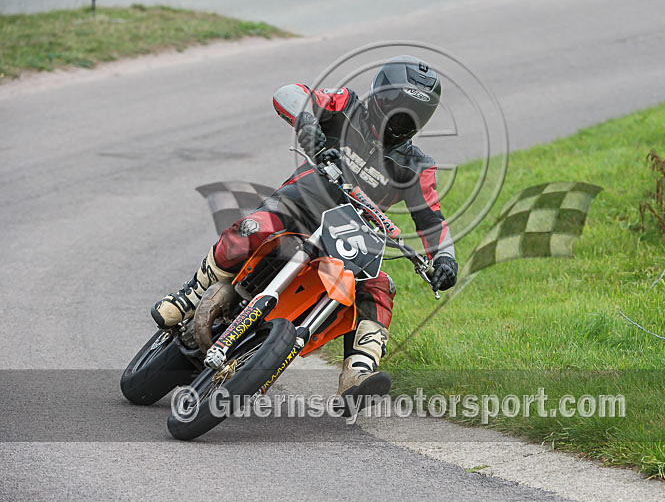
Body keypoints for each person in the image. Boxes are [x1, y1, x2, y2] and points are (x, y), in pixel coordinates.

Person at [151, 55, 458, 400]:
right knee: (252, 228)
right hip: (298, 205)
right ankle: (192, 293)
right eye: (394, 104)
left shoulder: (418, 166)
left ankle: (358, 375)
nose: (399, 117)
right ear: (378, 93)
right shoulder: (345, 105)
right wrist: (308, 123)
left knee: (380, 288)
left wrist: (445, 260)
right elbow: (292, 93)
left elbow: (433, 220)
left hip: (349, 238)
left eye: (411, 113)